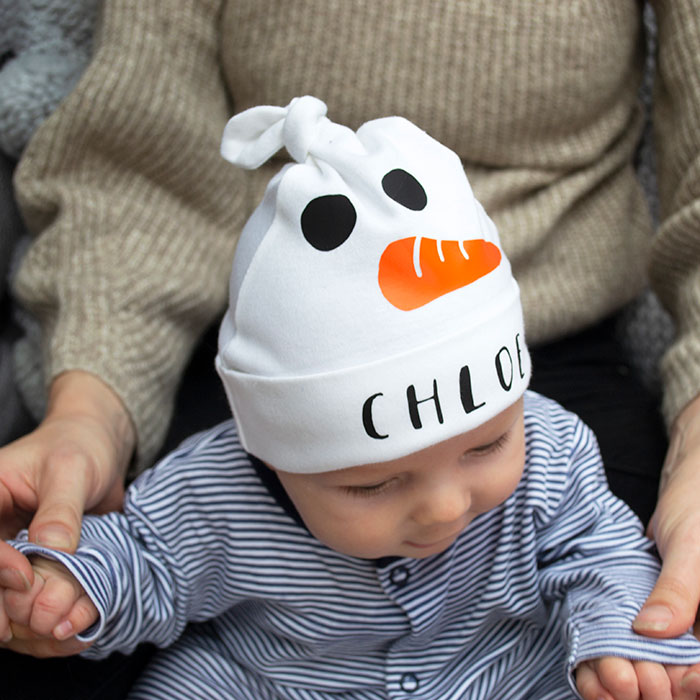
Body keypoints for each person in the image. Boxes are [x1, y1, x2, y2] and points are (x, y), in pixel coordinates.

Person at [1, 0, 700, 688]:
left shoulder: (552, 451)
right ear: (269, 450)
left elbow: (600, 553)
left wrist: (621, 641)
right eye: (370, 481)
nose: (447, 508)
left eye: (486, 444)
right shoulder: (214, 490)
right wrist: (70, 587)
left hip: (503, 669)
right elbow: (144, 555)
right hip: (273, 678)